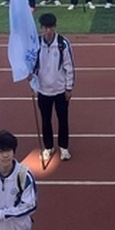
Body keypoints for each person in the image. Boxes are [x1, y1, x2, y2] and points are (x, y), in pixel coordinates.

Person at [32, 13, 75, 162]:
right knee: (45, 120)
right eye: (45, 28)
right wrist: (32, 82)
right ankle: (48, 147)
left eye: (51, 28)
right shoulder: (36, 44)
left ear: (55, 27)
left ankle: (64, 147)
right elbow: (32, 65)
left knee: (63, 119)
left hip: (60, 90)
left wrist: (69, 88)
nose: (48, 31)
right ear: (41, 28)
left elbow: (69, 67)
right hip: (43, 90)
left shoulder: (63, 44)